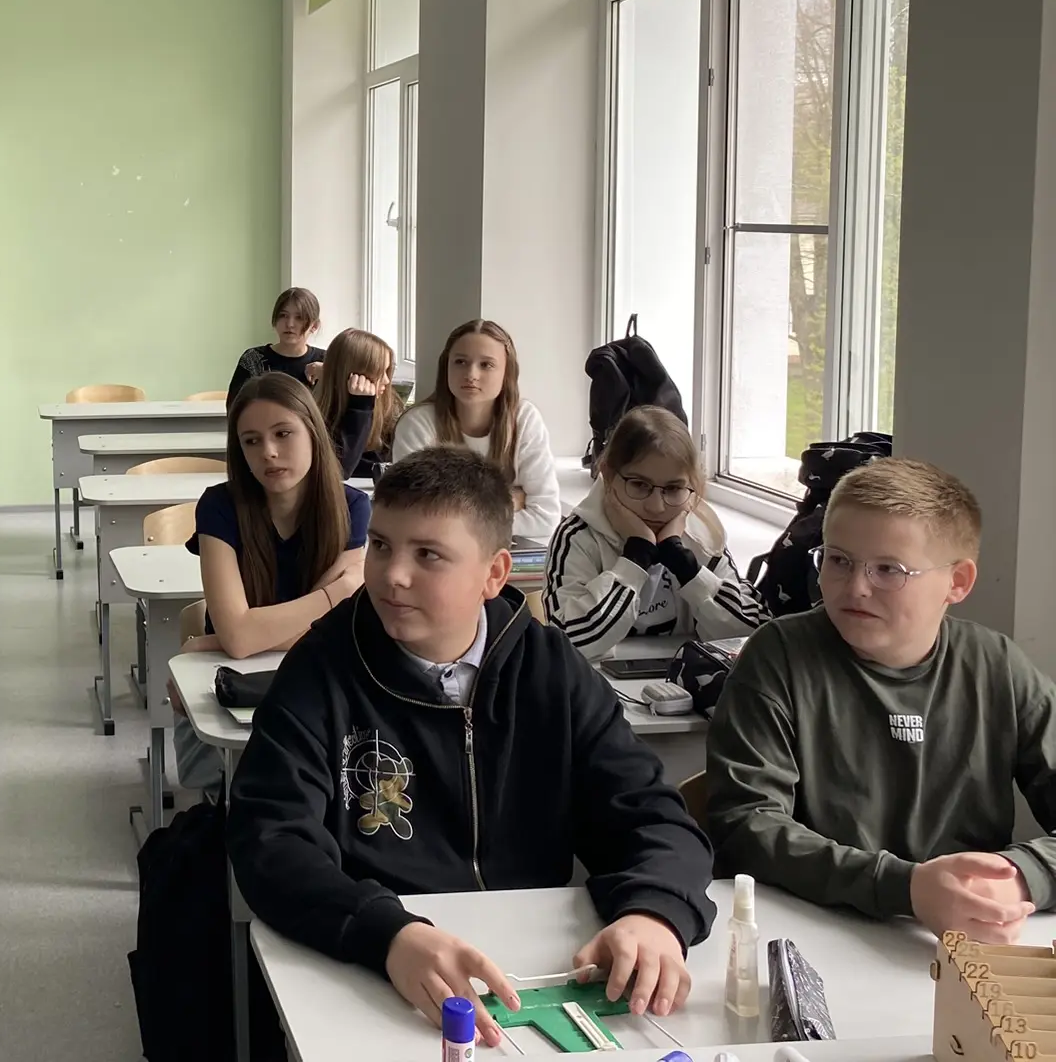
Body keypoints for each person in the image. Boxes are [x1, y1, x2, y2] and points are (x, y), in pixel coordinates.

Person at [227, 448, 714, 1043]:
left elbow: (651, 815)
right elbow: (272, 840)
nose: (392, 574)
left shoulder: (549, 671)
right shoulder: (321, 670)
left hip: (532, 964)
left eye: (427, 554)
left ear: (494, 574)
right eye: (380, 545)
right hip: (375, 965)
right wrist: (387, 932)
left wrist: (654, 912)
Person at [706, 458, 1056, 943]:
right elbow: (746, 827)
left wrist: (1014, 877)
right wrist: (907, 888)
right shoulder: (779, 655)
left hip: (964, 942)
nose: (856, 587)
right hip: (814, 931)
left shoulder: (997, 666)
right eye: (838, 560)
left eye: (889, 569)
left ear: (957, 582)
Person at [545, 405, 761, 660]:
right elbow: (567, 642)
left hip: (684, 682)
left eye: (673, 489)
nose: (656, 507)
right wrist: (634, 560)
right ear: (608, 475)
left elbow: (752, 636)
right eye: (639, 484)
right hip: (597, 683)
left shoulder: (703, 537)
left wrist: (688, 570)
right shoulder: (577, 537)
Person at [184, 374, 369, 660]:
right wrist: (341, 590)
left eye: (283, 434)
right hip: (230, 671)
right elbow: (238, 639)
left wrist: (224, 640)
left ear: (313, 433)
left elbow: (331, 628)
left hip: (317, 665)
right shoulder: (219, 505)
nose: (268, 452)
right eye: (251, 441)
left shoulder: (352, 507)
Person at [392, 319, 559, 541]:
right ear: (446, 367)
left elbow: (545, 518)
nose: (471, 374)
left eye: (486, 365)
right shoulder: (417, 424)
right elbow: (411, 516)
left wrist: (452, 511)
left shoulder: (525, 419)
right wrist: (508, 501)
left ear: (507, 373)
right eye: (460, 362)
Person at [315, 327, 403, 481]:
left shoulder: (390, 405)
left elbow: (388, 464)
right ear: (353, 374)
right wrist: (361, 407)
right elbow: (340, 470)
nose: (387, 380)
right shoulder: (315, 414)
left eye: (387, 371)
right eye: (380, 372)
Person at [228, 287, 326, 400]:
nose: (289, 324)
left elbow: (339, 405)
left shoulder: (325, 361)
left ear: (314, 326)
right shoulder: (253, 359)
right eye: (283, 315)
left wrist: (329, 373)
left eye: (299, 318)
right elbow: (235, 405)